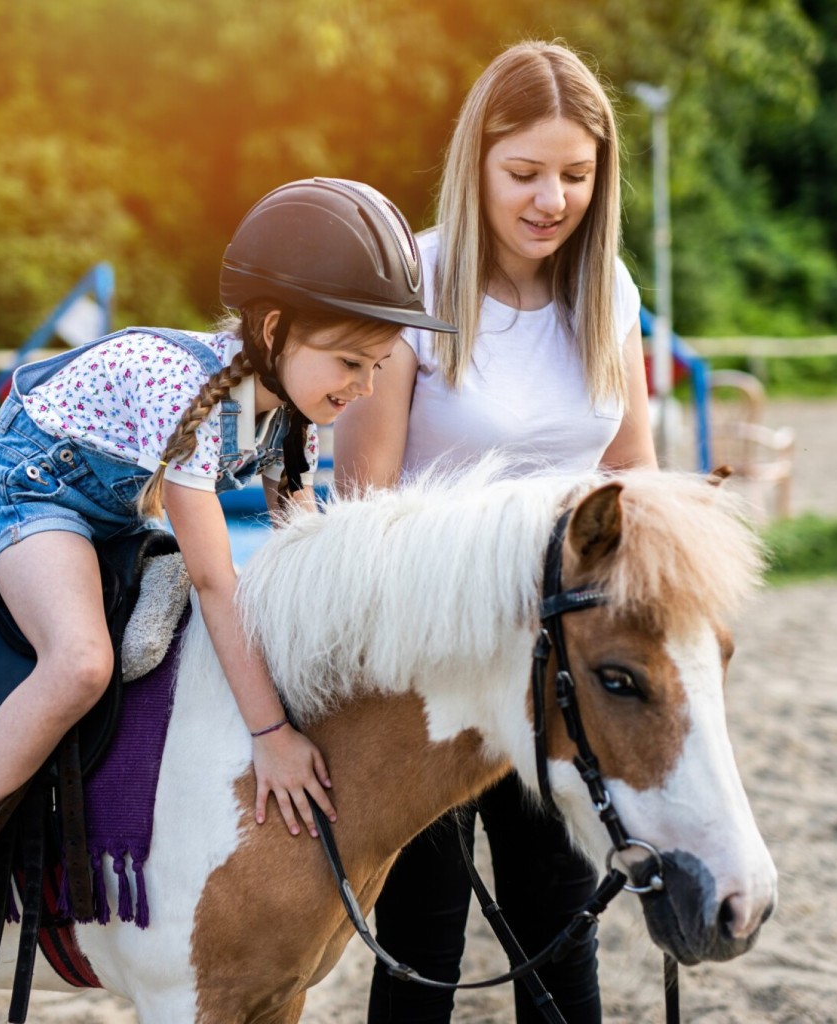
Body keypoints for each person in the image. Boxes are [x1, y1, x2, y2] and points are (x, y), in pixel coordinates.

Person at [0, 178, 457, 946]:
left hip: (115, 509)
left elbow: (304, 551)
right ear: (277, 326)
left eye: (379, 367)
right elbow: (217, 579)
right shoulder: (186, 390)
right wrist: (269, 735)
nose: (364, 387)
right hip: (34, 491)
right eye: (350, 363)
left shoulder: (293, 419)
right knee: (82, 659)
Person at [333, 41, 658, 1023]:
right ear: (476, 161)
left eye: (573, 174)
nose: (548, 198)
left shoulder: (609, 296)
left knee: (558, 925)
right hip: (428, 666)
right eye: (522, 172)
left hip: (556, 665)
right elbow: (362, 501)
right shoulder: (413, 286)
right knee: (422, 935)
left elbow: (630, 481)